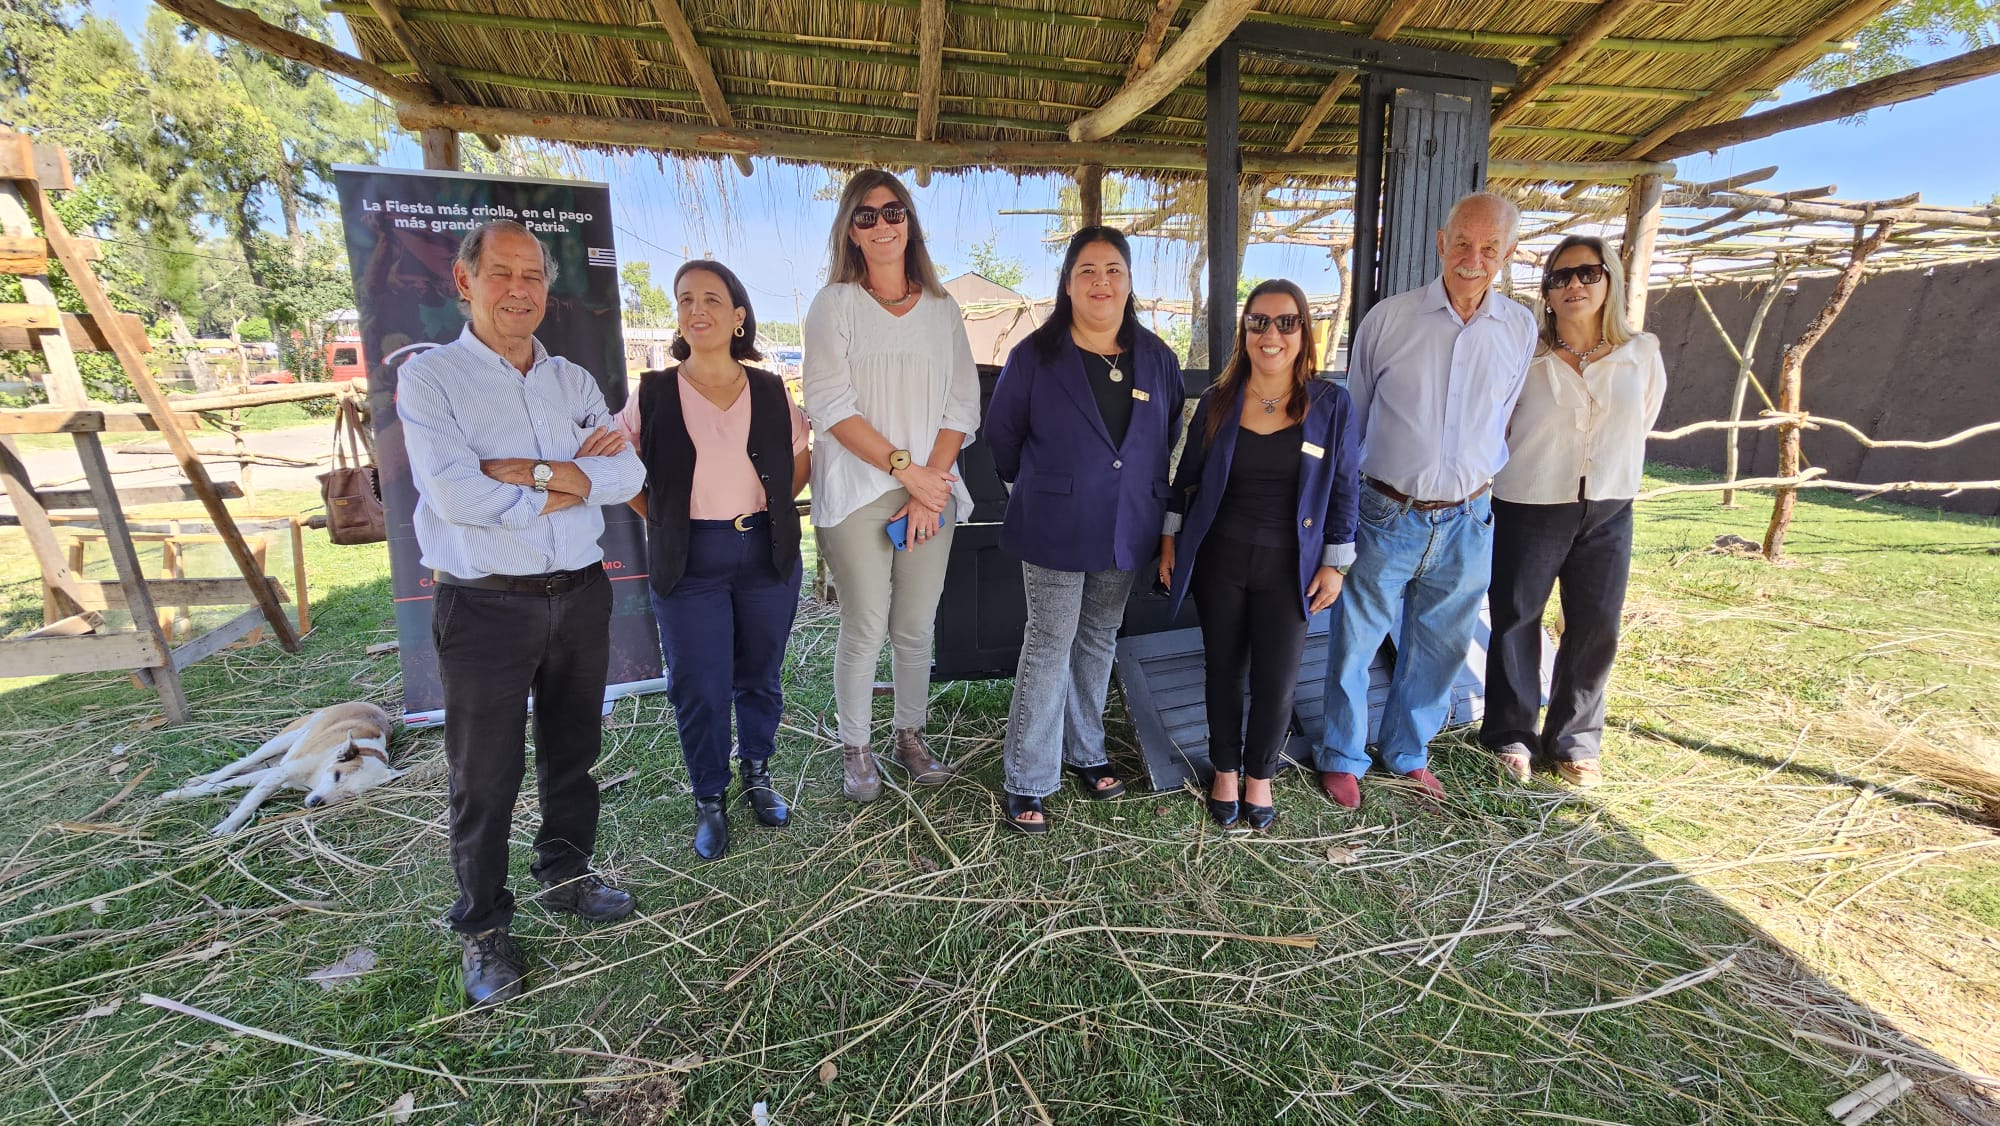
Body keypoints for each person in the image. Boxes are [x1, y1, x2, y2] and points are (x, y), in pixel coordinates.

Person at [396, 219, 647, 1008]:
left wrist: (531, 473)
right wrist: (570, 480)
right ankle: (482, 927)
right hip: (486, 605)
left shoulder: (571, 380)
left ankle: (565, 875)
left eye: (532, 276)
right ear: (464, 282)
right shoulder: (431, 379)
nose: (518, 290)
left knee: (573, 752)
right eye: (501, 273)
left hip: (579, 592)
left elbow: (628, 475)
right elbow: (457, 496)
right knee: (485, 775)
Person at [1315, 192, 1540, 810]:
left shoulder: (1519, 328)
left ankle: (1408, 751)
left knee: (1440, 645)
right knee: (1355, 641)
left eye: (1489, 247)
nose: (1473, 258)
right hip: (1387, 510)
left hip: (1469, 516)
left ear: (1508, 253)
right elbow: (1356, 419)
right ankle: (1342, 755)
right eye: (1462, 242)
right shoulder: (1388, 320)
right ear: (1441, 242)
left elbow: (1504, 413)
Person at [984, 226, 1185, 834]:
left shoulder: (1157, 357)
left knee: (1098, 637)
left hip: (1127, 527)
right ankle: (1028, 776)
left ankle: (1085, 749)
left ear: (1129, 282)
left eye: (1113, 270)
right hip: (1054, 524)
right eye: (1087, 271)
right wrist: (1044, 485)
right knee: (1050, 641)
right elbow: (1002, 438)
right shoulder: (1035, 355)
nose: (1102, 282)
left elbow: (1166, 434)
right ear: (1067, 284)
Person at [616, 260, 811, 859]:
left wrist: (773, 510)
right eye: (685, 300)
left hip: (766, 553)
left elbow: (799, 458)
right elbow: (619, 465)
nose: (696, 310)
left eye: (711, 299)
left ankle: (757, 771)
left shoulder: (772, 389)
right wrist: (664, 517)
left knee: (760, 672)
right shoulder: (652, 393)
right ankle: (709, 797)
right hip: (689, 561)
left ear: (738, 316)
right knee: (699, 684)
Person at [801, 169, 981, 801]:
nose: (882, 224)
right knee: (866, 623)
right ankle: (855, 746)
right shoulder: (834, 305)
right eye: (866, 215)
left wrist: (929, 487)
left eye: (893, 211)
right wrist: (910, 472)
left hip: (931, 487)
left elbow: (962, 403)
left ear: (910, 222)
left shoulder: (942, 310)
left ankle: (910, 735)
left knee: (915, 623)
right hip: (856, 488)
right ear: (850, 231)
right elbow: (829, 402)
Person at [1160, 281, 1360, 830]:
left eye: (1286, 322)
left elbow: (1345, 488)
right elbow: (1186, 478)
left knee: (1277, 679)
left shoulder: (1331, 404)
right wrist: (1170, 540)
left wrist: (1335, 563)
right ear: (1244, 332)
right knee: (1224, 670)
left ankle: (1260, 777)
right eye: (1259, 322)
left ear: (1304, 332)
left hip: (1292, 568)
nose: (1271, 334)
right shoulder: (1219, 401)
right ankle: (1225, 771)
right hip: (1220, 561)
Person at [1481, 236, 1666, 789]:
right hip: (1530, 500)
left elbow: (1642, 421)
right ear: (1547, 292)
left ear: (1610, 279)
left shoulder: (1641, 354)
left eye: (1587, 273)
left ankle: (1576, 740)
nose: (1574, 286)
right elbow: (1501, 425)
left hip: (1609, 504)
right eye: (1559, 277)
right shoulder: (1527, 356)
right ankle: (1511, 734)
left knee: (1596, 623)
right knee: (1516, 617)